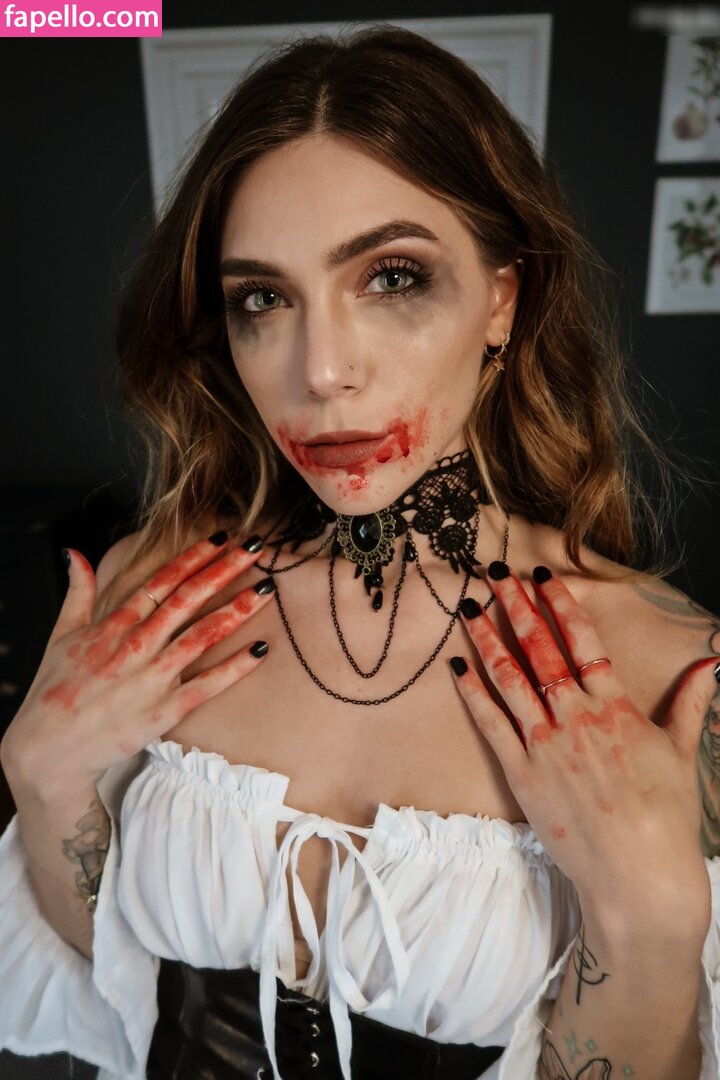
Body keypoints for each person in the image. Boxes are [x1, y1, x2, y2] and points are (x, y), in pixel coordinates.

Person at [1, 23, 719, 1080]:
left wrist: (652, 922)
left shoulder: (671, 674)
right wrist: (43, 780)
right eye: (262, 298)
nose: (321, 370)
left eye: (392, 277)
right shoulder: (160, 592)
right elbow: (104, 963)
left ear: (504, 299)